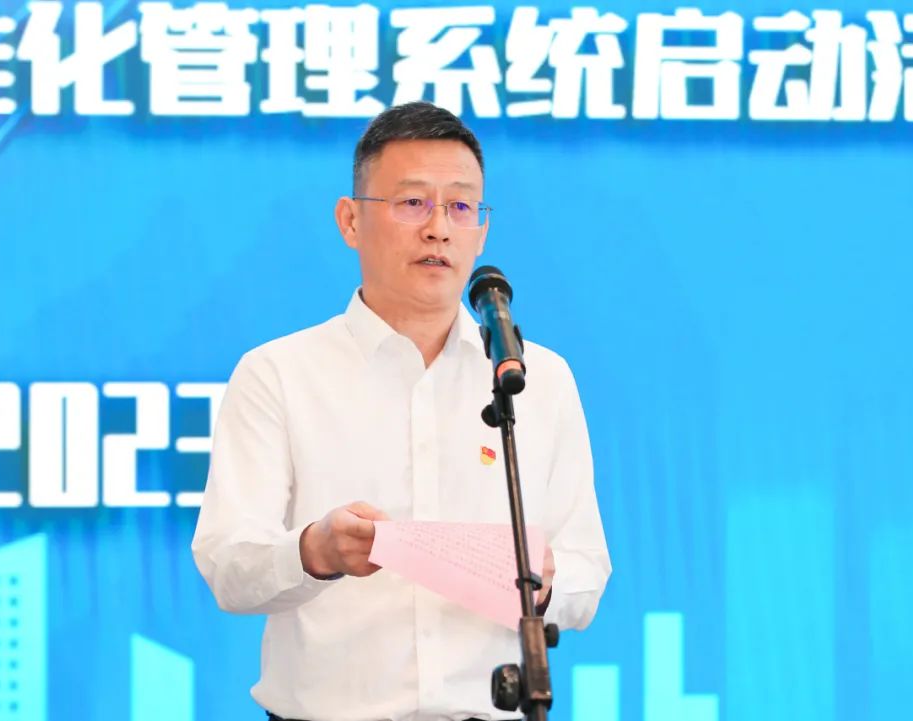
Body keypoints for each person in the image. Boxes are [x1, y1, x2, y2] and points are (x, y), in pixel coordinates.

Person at [191, 101, 611, 721]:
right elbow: (228, 566)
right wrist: (314, 552)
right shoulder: (278, 374)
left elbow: (586, 572)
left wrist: (545, 582)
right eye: (413, 202)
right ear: (351, 220)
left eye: (461, 207)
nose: (439, 228)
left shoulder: (532, 378)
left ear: (481, 232)